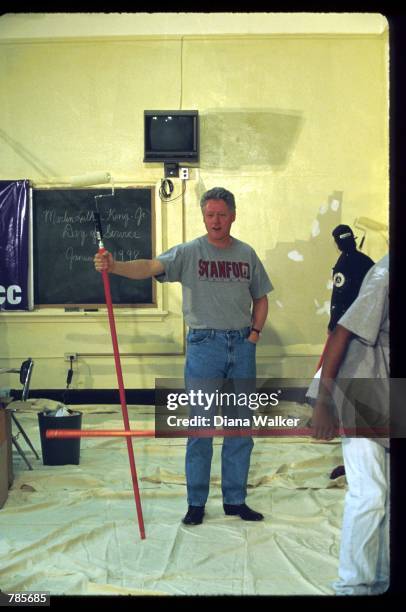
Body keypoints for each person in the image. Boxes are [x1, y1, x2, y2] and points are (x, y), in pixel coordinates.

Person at [94, 187, 273, 526]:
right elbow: (149, 266)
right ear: (203, 217)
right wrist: (114, 266)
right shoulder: (190, 252)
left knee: (240, 429)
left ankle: (235, 501)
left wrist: (254, 335)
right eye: (210, 215)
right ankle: (196, 502)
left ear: (233, 215)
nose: (215, 221)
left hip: (242, 347)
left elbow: (261, 297)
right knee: (200, 428)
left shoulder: (247, 254)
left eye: (222, 214)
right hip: (205, 347)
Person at [311, 254, 389, 595]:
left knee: (385, 495)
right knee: (370, 492)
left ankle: (381, 579)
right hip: (362, 384)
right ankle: (353, 586)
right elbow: (342, 331)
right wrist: (324, 403)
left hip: (389, 387)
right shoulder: (387, 273)